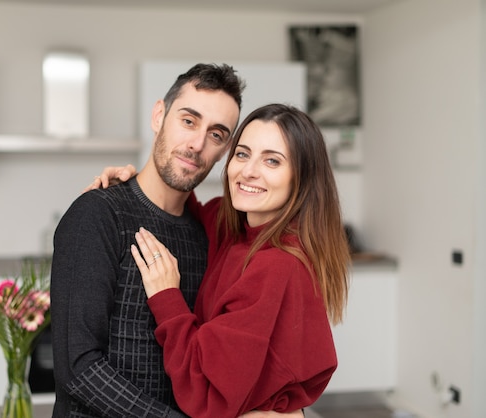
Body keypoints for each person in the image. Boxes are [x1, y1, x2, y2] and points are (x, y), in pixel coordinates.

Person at [51, 63, 301, 418]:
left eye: (217, 134)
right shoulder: (99, 214)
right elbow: (79, 368)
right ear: (159, 116)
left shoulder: (210, 233)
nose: (197, 144)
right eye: (188, 120)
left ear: (224, 151)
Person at [97, 103, 351, 417]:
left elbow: (207, 395)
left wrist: (167, 297)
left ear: (301, 178)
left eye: (272, 160)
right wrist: (139, 184)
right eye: (243, 154)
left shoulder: (278, 265)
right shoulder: (235, 226)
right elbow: (187, 211)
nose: (248, 171)